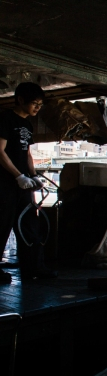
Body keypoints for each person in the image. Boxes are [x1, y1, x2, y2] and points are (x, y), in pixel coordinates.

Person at [0, 82, 57, 283]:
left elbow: (27, 153)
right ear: (21, 100)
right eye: (34, 103)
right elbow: (0, 151)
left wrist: (33, 176)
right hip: (5, 184)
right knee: (2, 225)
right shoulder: (6, 118)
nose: (37, 108)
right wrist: (18, 176)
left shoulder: (28, 124)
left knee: (29, 225)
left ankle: (34, 268)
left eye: (40, 104)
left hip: (23, 184)